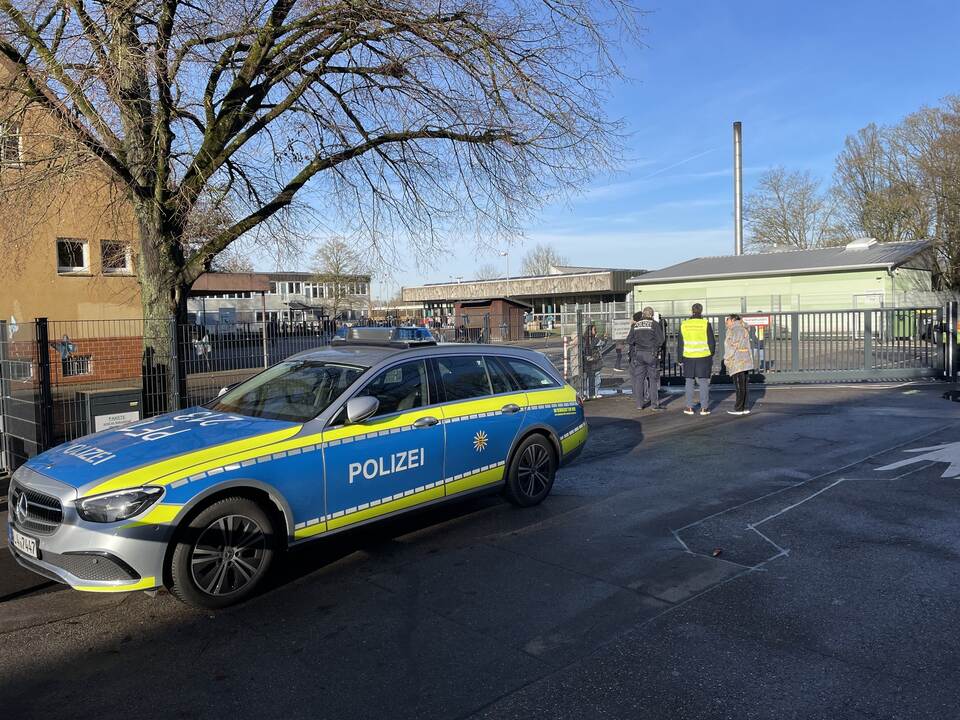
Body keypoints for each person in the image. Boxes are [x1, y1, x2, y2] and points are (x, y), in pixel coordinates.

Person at [678, 303, 715, 416]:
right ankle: (704, 408)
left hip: (688, 357)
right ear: (701, 311)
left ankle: (689, 407)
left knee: (689, 382)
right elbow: (711, 342)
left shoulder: (684, 324)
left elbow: (680, 343)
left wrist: (680, 359)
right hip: (703, 357)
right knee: (703, 382)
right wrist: (711, 354)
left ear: (692, 311)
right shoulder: (705, 324)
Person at [626, 307, 665, 410]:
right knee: (653, 379)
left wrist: (637, 343)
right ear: (651, 315)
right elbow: (661, 340)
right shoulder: (654, 324)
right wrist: (655, 347)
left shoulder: (636, 325)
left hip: (639, 354)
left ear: (643, 314)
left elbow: (629, 340)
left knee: (639, 379)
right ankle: (654, 404)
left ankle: (639, 404)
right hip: (651, 354)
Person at [724, 314, 755, 415]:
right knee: (744, 385)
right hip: (745, 359)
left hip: (737, 360)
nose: (726, 322)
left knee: (739, 385)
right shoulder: (744, 329)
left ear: (733, 320)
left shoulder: (734, 330)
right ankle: (745, 407)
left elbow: (732, 346)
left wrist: (726, 359)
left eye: (728, 320)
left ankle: (739, 408)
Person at [582, 324, 602, 399]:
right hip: (590, 361)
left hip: (595, 360)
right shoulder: (587, 339)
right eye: (594, 329)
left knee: (597, 378)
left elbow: (602, 344)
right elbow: (590, 346)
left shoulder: (594, 339)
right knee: (591, 378)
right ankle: (590, 394)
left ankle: (595, 393)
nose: (596, 331)